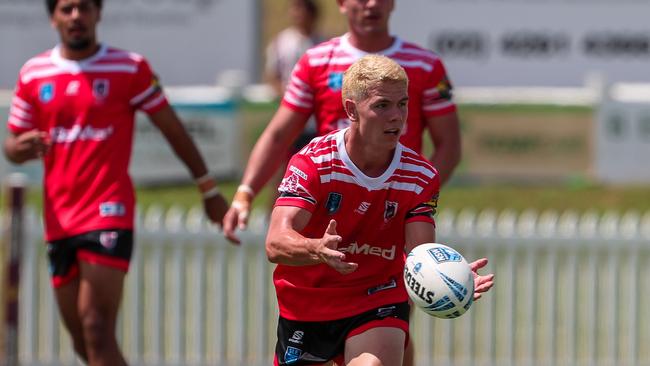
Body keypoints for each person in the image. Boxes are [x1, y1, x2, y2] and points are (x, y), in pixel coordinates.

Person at [2, 1, 228, 365]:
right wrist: (18, 148)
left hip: (108, 209)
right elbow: (12, 146)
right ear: (53, 17)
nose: (76, 16)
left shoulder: (128, 67)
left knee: (96, 326)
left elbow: (171, 127)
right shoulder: (34, 73)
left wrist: (208, 188)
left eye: (84, 7)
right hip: (58, 217)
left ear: (98, 13)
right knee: (83, 341)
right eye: (66, 8)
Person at [265, 54, 493, 366]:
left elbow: (419, 251)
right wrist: (315, 248)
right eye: (382, 105)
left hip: (377, 296)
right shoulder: (313, 163)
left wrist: (448, 276)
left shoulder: (420, 176)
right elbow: (275, 242)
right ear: (351, 110)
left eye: (403, 104)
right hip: (307, 303)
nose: (397, 117)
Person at [224, 0, 461, 245]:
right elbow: (278, 135)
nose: (372, 4)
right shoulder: (315, 61)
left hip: (392, 220)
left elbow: (449, 147)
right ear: (341, 3)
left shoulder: (426, 64)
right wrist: (245, 192)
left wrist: (411, 200)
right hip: (329, 215)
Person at [264, 0, 323, 217]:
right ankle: (275, 214)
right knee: (286, 168)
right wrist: (291, 99)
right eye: (295, 10)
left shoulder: (323, 42)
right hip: (293, 118)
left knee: (318, 169)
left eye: (303, 10)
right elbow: (273, 76)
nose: (298, 15)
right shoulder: (282, 42)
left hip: (318, 119)